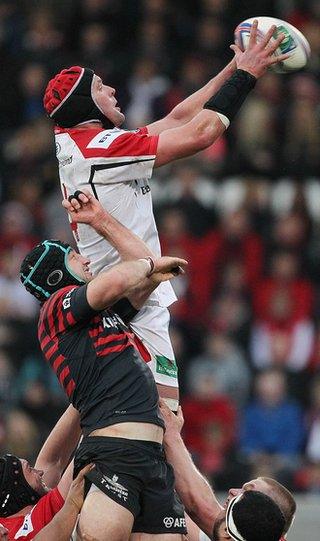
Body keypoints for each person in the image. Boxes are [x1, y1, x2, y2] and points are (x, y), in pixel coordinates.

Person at [43, 21, 289, 412]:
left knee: (125, 422)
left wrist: (233, 66)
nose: (112, 91)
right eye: (101, 88)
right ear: (85, 106)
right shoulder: (101, 149)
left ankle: (49, 474)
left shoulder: (87, 145)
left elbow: (177, 118)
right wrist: (249, 75)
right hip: (131, 300)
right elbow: (200, 134)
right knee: (159, 424)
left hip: (124, 295)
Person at [20, 192, 189, 540]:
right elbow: (129, 274)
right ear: (55, 278)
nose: (84, 260)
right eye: (72, 256)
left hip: (151, 457)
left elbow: (146, 267)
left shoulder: (99, 317)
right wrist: (148, 267)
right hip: (113, 452)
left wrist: (100, 220)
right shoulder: (55, 309)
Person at [160, 400, 296, 541]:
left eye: (247, 493)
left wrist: (171, 436)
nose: (233, 491)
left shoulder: (231, 534)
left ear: (264, 517)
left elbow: (200, 507)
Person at [0, 404, 84, 540]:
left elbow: (53, 460)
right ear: (18, 489)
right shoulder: (26, 529)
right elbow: (86, 455)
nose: (40, 472)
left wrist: (84, 396)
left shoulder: (11, 521)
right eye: (30, 469)